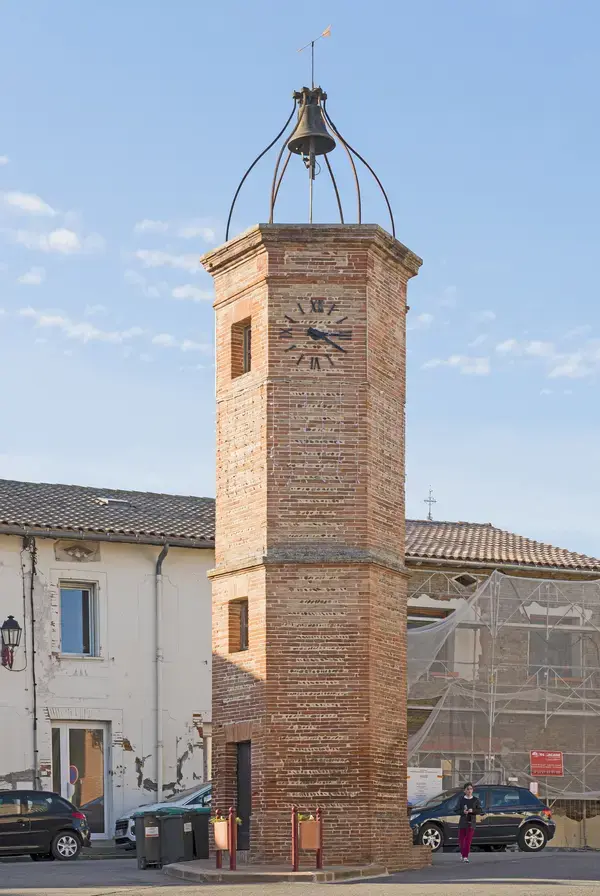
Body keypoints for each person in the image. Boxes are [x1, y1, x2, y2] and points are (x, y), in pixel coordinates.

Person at [458, 782, 482, 863]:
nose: (469, 791)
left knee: (468, 840)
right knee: (462, 840)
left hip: (471, 822)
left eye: (471, 789)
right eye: (467, 789)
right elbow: (456, 810)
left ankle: (465, 856)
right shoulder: (461, 799)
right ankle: (462, 854)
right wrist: (463, 811)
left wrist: (473, 810)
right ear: (464, 790)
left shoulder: (475, 800)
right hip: (462, 822)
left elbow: (480, 810)